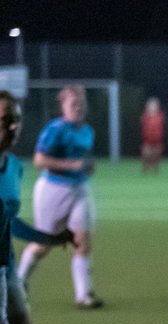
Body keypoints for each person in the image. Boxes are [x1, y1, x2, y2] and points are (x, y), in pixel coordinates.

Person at [0, 91, 76, 324]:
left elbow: (9, 221)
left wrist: (49, 237)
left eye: (14, 119)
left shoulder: (13, 166)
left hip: (7, 270)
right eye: (2, 120)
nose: (9, 127)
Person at [15, 84, 102, 309]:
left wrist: (86, 168)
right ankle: (18, 283)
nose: (78, 107)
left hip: (79, 189)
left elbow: (82, 160)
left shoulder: (87, 131)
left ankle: (83, 295)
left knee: (82, 240)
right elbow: (40, 160)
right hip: (53, 191)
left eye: (81, 103)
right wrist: (71, 164)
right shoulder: (55, 129)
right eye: (73, 103)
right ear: (63, 106)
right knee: (43, 244)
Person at [140, 97, 165, 174]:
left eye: (154, 105)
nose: (152, 107)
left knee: (156, 155)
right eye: (151, 105)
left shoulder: (160, 116)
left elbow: (161, 127)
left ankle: (155, 167)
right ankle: (145, 166)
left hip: (158, 139)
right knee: (146, 154)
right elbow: (144, 126)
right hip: (147, 139)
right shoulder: (145, 116)